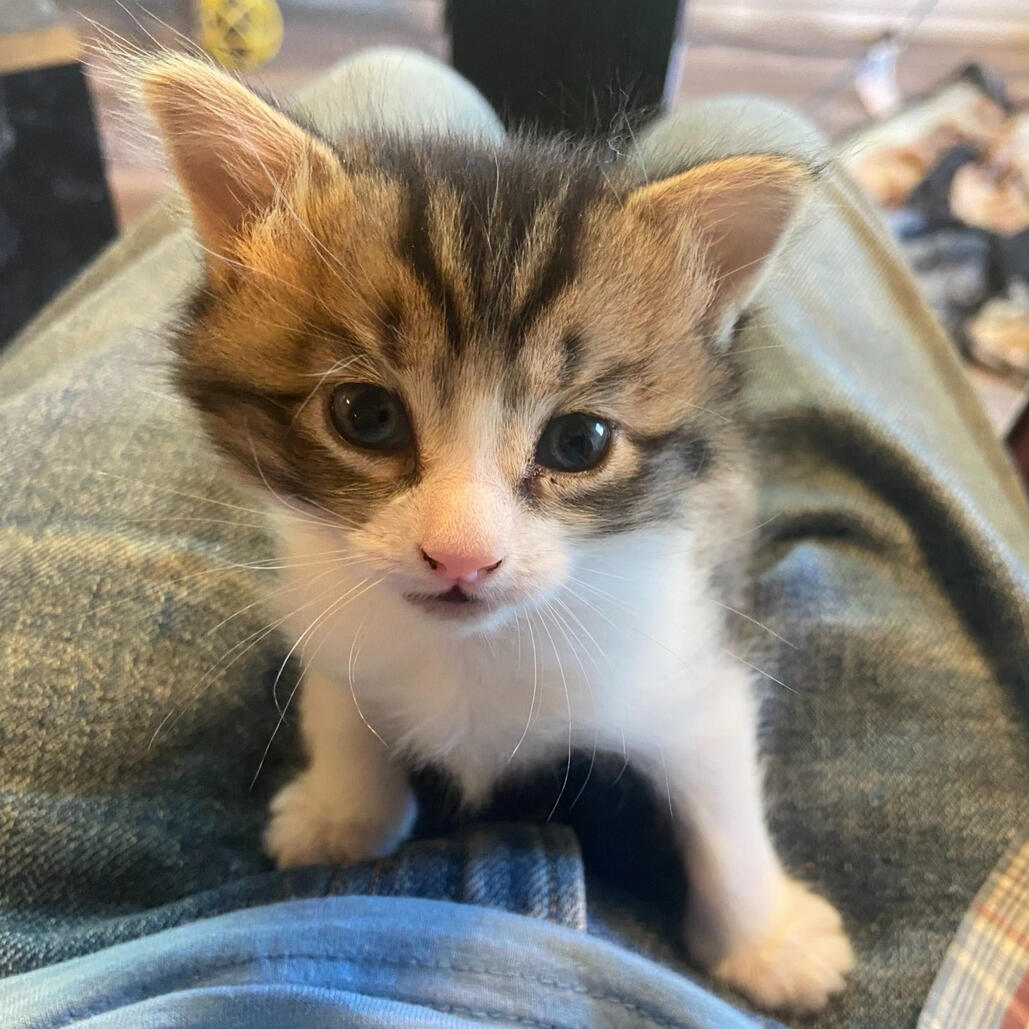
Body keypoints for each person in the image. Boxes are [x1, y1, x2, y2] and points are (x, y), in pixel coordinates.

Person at [0, 49, 1026, 1029]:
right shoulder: (336, 567)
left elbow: (700, 722)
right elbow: (336, 660)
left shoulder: (636, 627)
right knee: (743, 125)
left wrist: (744, 908)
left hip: (144, 957)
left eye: (575, 441)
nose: (463, 545)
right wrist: (354, 790)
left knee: (403, 87)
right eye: (367, 415)